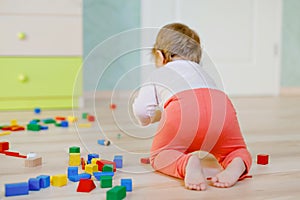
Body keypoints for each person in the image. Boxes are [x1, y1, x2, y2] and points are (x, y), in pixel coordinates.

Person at [132, 23, 252, 191]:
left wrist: (149, 119)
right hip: (221, 109)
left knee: (160, 155)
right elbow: (204, 102)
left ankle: (187, 162)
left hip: (184, 113)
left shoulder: (160, 73)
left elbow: (142, 110)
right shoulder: (204, 73)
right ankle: (237, 162)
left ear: (160, 56)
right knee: (236, 149)